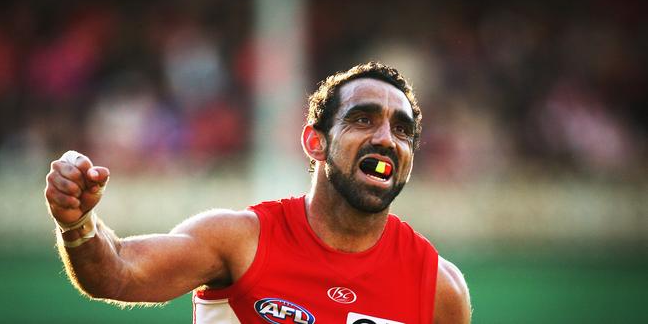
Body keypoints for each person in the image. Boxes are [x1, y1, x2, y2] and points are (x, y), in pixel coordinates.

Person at [45, 61, 471, 323]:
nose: (385, 138)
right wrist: (78, 222)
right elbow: (116, 272)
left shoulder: (438, 288)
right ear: (315, 142)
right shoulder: (238, 240)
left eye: (402, 130)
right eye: (362, 119)